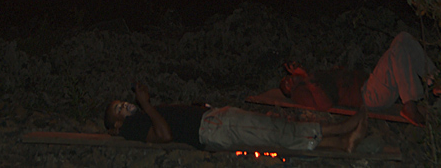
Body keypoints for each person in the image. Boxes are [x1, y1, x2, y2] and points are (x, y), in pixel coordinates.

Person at [105, 81, 368, 153]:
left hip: (213, 121)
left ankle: (340, 143)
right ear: (117, 125)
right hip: (212, 128)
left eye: (123, 103)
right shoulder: (134, 127)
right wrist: (146, 105)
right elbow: (164, 136)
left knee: (276, 134)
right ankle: (343, 128)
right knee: (276, 130)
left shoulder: (140, 119)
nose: (126, 106)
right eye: (119, 109)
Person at [279, 31, 437, 127]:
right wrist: (306, 77)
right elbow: (324, 105)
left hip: (371, 85)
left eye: (287, 78)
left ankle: (435, 80)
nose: (288, 81)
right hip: (368, 97)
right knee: (397, 51)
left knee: (403, 38)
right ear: (291, 92)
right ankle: (409, 104)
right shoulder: (302, 92)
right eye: (286, 86)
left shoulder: (313, 77)